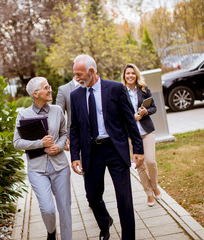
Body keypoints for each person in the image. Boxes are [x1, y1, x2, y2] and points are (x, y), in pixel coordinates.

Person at [70, 55, 144, 240]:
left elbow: (129, 121)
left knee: (124, 199)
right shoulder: (75, 95)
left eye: (79, 74)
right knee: (92, 197)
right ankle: (105, 223)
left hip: (114, 149)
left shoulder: (115, 89)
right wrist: (74, 156)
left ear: (92, 72)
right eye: (75, 75)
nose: (77, 78)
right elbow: (75, 128)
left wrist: (138, 148)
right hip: (91, 152)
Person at [13, 77, 72, 240]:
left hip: (60, 167)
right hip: (37, 169)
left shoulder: (57, 111)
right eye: (46, 88)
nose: (50, 89)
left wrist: (59, 147)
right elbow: (17, 142)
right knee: (47, 209)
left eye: (49, 86)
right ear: (35, 93)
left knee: (65, 208)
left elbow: (63, 134)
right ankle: (51, 231)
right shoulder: (23, 115)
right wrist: (41, 143)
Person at [121, 63, 161, 207]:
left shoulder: (144, 89)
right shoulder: (121, 92)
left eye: (132, 73)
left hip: (147, 131)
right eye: (127, 73)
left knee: (151, 161)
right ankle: (149, 193)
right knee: (140, 165)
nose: (130, 76)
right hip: (132, 135)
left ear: (136, 75)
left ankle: (155, 185)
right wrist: (133, 117)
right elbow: (119, 115)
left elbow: (154, 107)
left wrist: (146, 112)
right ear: (124, 76)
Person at [56, 77, 79, 150]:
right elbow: (58, 117)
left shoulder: (96, 87)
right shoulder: (63, 90)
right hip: (76, 136)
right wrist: (62, 139)